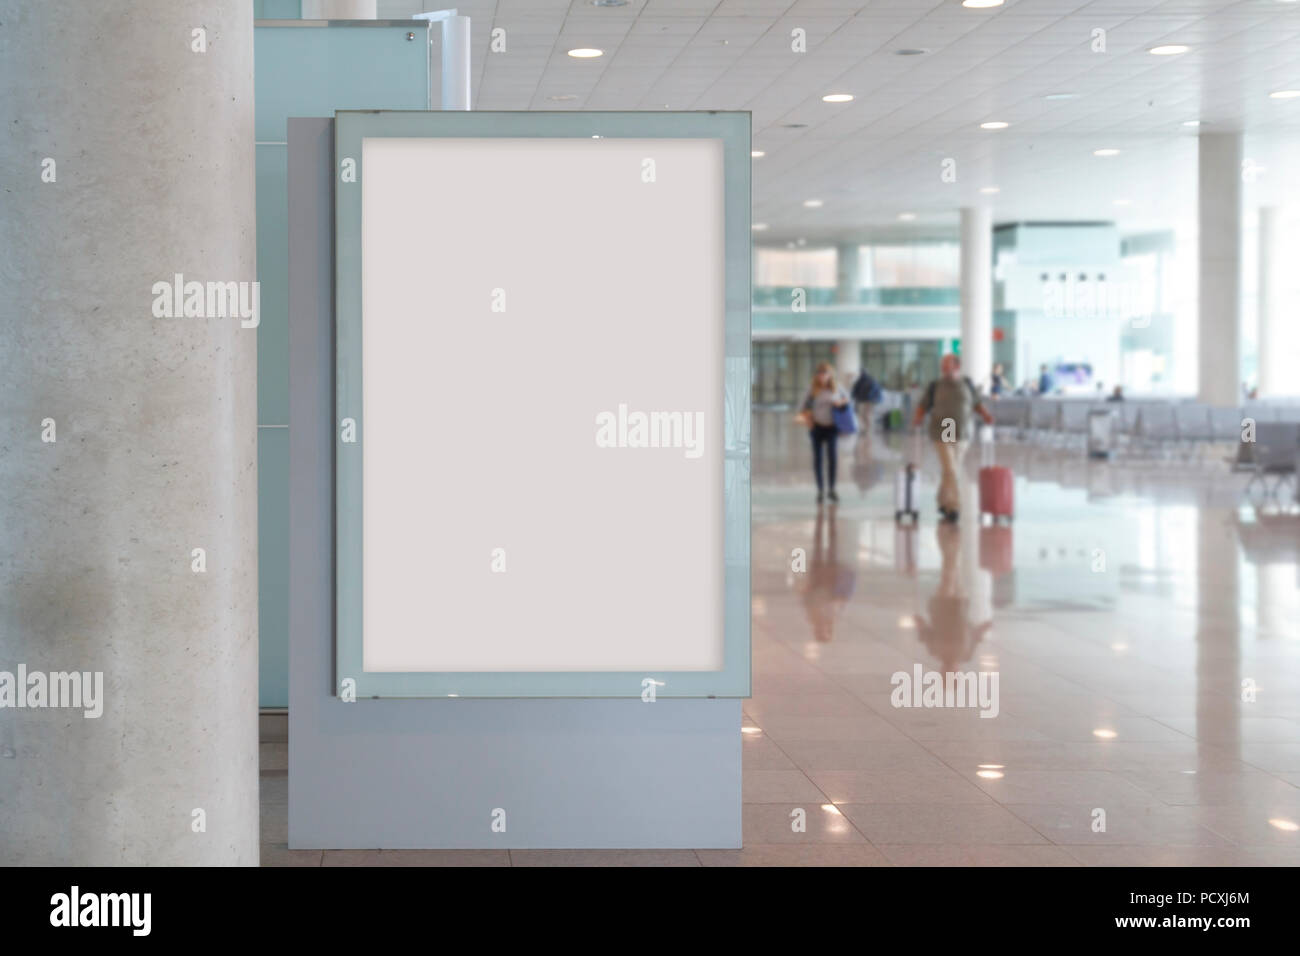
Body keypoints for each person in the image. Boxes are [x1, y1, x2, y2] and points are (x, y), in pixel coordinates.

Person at [911, 354, 994, 522]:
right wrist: (918, 417)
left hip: (963, 430)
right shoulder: (936, 385)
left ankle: (942, 501)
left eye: (946, 364)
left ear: (957, 366)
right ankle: (954, 506)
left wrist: (986, 415)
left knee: (951, 469)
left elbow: (976, 403)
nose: (943, 367)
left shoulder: (967, 384)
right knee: (950, 468)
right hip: (946, 427)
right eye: (942, 364)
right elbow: (923, 404)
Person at [798, 362, 850, 505]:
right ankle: (820, 490)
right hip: (817, 428)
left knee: (832, 459)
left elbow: (848, 399)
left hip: (832, 428)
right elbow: (802, 407)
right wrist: (808, 420)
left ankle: (832, 489)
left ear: (830, 375)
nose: (823, 377)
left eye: (825, 374)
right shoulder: (812, 390)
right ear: (817, 376)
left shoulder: (836, 387)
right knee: (818, 459)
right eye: (820, 374)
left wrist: (840, 402)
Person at [850, 367, 883, 436]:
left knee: (868, 415)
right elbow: (855, 389)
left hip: (869, 401)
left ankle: (868, 430)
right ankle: (864, 429)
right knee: (861, 415)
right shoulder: (860, 380)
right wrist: (854, 396)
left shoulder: (871, 380)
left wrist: (870, 397)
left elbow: (874, 389)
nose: (861, 374)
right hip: (861, 400)